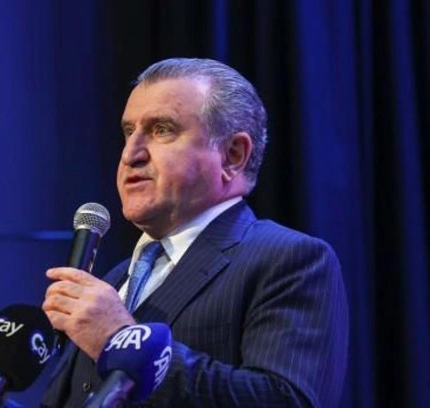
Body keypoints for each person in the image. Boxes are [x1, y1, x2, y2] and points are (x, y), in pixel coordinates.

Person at [41, 58, 349, 407]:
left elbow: (284, 401)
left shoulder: (290, 261)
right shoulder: (114, 281)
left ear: (233, 155)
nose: (130, 154)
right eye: (128, 132)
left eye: (161, 130)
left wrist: (123, 342)